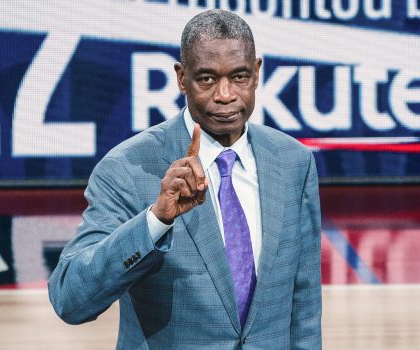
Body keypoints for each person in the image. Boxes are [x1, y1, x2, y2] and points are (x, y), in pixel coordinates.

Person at [48, 9, 322, 349]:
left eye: (238, 76)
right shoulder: (128, 168)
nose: (224, 94)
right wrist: (155, 221)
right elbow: (70, 299)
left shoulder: (293, 161)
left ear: (256, 73)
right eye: (206, 79)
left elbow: (305, 302)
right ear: (181, 78)